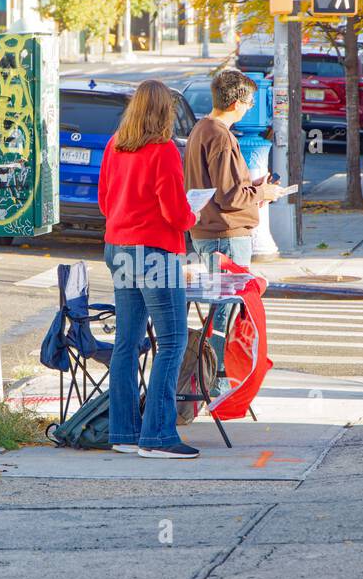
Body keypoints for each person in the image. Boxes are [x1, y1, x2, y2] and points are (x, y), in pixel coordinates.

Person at [98, 79, 199, 460]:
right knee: (172, 341)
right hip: (155, 251)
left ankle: (123, 431)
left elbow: (105, 202)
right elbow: (175, 213)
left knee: (127, 342)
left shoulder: (115, 145)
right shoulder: (163, 151)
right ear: (165, 111)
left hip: (119, 246)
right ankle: (157, 435)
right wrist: (194, 214)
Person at [183, 68, 284, 382]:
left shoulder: (202, 128)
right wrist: (261, 192)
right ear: (237, 102)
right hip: (224, 235)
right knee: (222, 313)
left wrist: (252, 187)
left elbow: (220, 188)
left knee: (218, 311)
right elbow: (229, 197)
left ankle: (210, 378)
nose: (251, 107)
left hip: (209, 231)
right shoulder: (221, 136)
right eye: (250, 102)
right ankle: (212, 381)